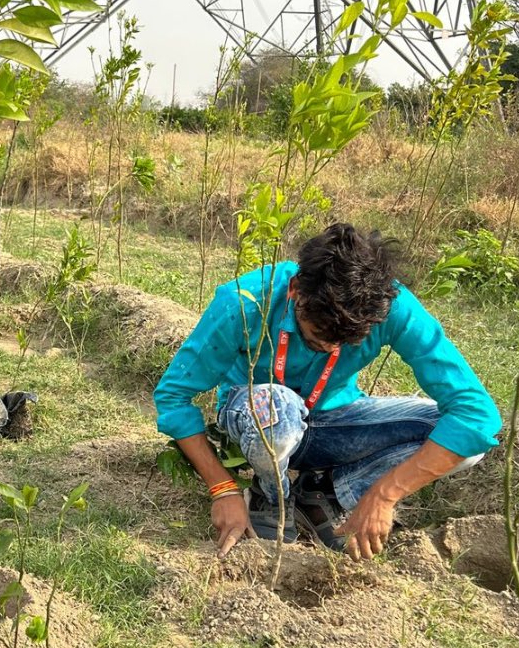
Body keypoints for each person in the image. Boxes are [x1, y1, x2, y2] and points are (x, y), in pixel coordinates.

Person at [154, 223, 501, 561]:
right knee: (276, 408)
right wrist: (223, 488)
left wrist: (383, 494)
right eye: (318, 335)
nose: (329, 346)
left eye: (343, 341)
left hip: (333, 420)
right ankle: (269, 493)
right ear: (295, 291)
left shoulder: (389, 305)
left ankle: (323, 494)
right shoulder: (245, 302)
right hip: (256, 422)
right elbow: (173, 396)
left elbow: (477, 415)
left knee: (461, 442)